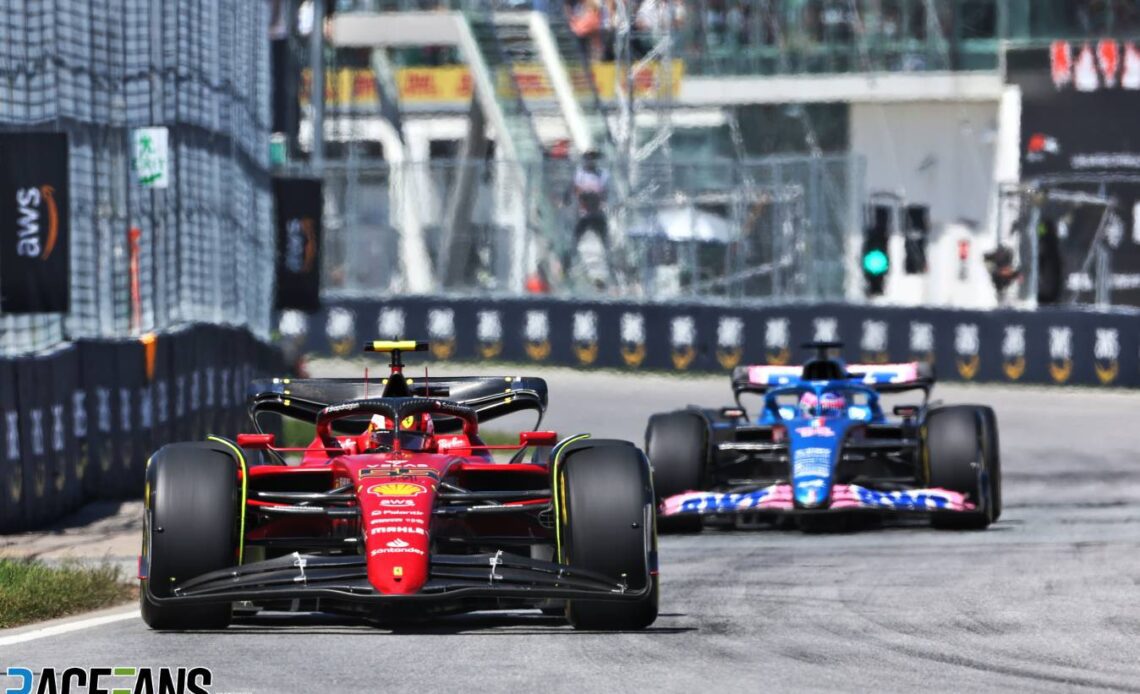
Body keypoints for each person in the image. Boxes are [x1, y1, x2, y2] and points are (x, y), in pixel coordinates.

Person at [566, 150, 612, 288]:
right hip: (583, 213)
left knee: (604, 238)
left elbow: (604, 193)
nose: (591, 162)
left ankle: (608, 267)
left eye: (594, 159)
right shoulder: (580, 174)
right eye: (589, 159)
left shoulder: (602, 174)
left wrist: (597, 197)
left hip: (597, 212)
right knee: (577, 238)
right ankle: (570, 264)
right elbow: (575, 190)